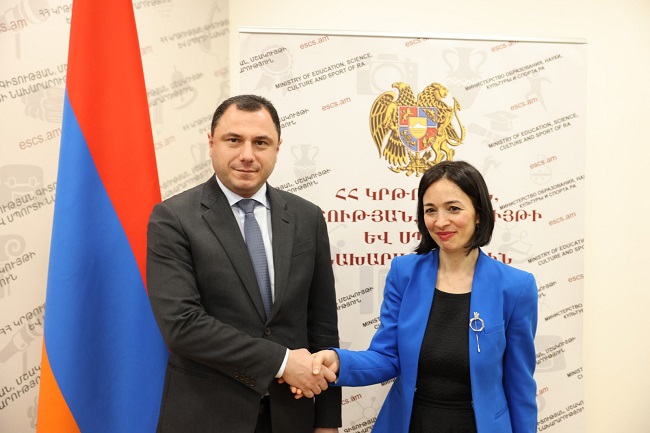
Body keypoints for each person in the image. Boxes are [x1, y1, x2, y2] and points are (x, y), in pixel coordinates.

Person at [147, 94, 341, 433]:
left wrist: (327, 421)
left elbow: (322, 325)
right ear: (211, 144)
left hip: (292, 417)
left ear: (278, 148)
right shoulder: (173, 219)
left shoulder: (307, 217)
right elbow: (183, 326)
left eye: (261, 142)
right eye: (234, 140)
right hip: (207, 417)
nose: (247, 155)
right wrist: (282, 362)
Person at [306, 160, 538, 433]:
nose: (440, 222)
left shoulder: (516, 287)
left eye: (453, 208)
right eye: (430, 210)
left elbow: (520, 385)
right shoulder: (404, 273)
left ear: (479, 213)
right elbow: (387, 357)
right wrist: (338, 362)